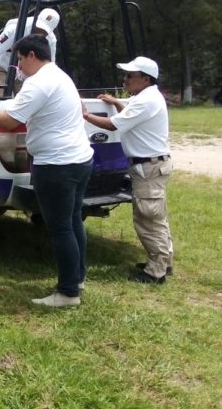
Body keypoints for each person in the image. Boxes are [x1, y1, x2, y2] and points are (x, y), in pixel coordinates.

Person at [0, 34, 93, 307]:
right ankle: (77, 277)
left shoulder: (39, 83)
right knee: (73, 220)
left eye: (20, 59)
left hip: (57, 165)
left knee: (60, 228)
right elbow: (16, 108)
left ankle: (68, 292)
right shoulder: (58, 76)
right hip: (79, 160)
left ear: (32, 55)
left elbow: (10, 121)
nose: (19, 66)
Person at [83, 56, 174, 284]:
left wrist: (84, 115)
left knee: (147, 219)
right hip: (154, 165)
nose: (125, 79)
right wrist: (115, 103)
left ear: (145, 78)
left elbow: (114, 124)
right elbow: (129, 117)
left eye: (130, 76)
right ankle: (164, 262)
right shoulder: (148, 97)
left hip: (148, 167)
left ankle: (156, 271)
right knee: (156, 217)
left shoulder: (145, 100)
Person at [0, 8, 59, 97]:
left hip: (24, 73)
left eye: (44, 31)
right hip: (1, 67)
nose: (40, 33)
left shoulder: (51, 40)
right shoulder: (15, 28)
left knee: (28, 99)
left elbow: (50, 65)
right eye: (39, 28)